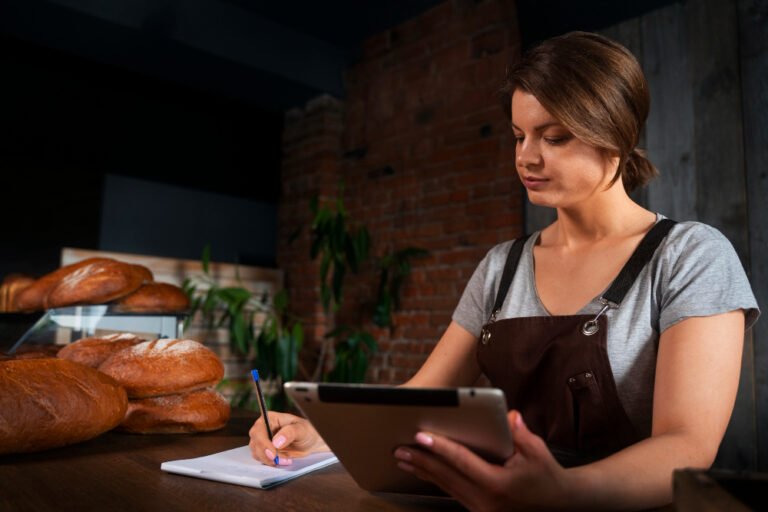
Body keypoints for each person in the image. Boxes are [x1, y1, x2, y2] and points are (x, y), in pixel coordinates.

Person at [249, 31, 759, 510]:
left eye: (554, 137)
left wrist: (559, 492)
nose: (525, 157)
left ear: (616, 134)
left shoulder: (690, 256)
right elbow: (420, 396)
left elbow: (688, 444)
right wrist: (322, 431)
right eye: (518, 136)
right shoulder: (502, 266)